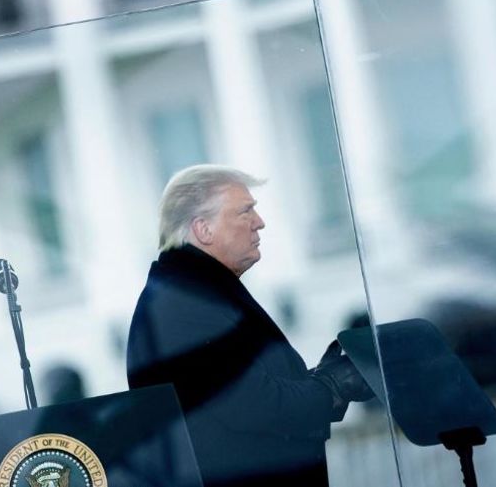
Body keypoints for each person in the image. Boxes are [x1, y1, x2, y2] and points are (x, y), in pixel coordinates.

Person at [126, 165, 372, 487]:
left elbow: (241, 395)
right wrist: (332, 386)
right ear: (204, 230)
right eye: (245, 212)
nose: (260, 222)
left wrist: (314, 380)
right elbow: (255, 407)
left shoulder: (193, 293)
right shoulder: (180, 305)